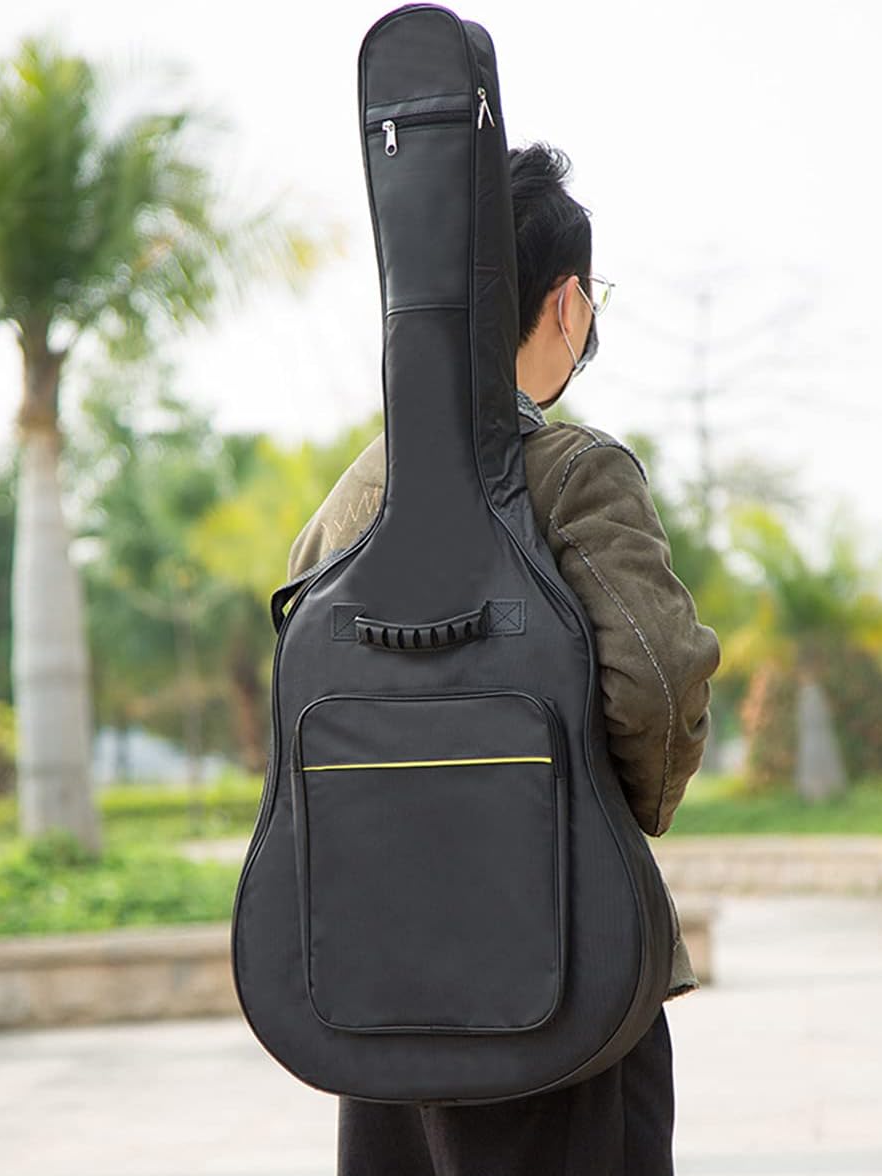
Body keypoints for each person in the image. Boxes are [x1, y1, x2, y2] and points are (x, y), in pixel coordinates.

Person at [286, 141, 722, 1176]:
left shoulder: (354, 494)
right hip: (564, 968)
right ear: (566, 303)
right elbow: (658, 685)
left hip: (378, 970)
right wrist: (609, 821)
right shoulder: (575, 473)